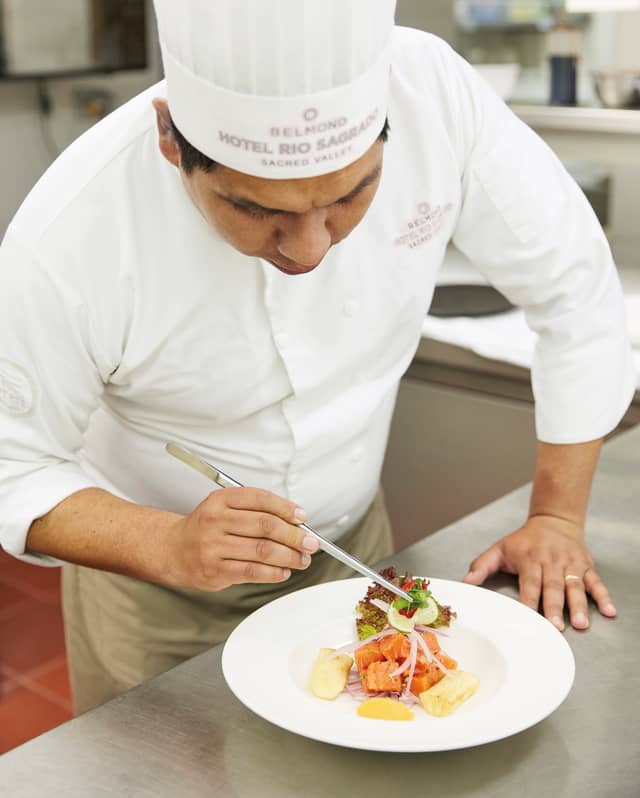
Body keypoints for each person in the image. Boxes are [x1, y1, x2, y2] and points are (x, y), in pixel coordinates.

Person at [0, 0, 634, 714]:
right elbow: (14, 467)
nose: (309, 249)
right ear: (172, 139)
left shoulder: (433, 95)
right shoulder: (70, 233)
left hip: (351, 558)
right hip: (154, 597)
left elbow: (575, 289)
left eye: (350, 195)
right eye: (254, 209)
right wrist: (172, 543)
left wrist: (554, 518)